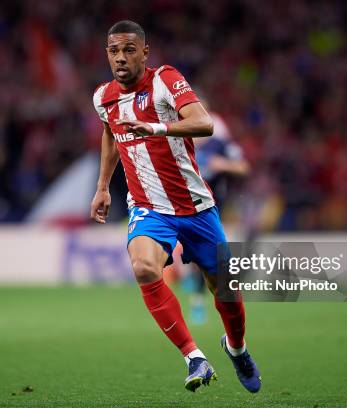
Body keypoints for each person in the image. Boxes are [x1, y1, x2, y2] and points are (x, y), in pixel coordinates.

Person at [90, 20, 261, 393]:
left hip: (196, 206)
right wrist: (103, 186)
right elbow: (109, 131)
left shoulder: (166, 79)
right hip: (149, 208)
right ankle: (194, 357)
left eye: (129, 50)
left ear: (144, 52)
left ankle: (237, 349)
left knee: (227, 291)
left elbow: (204, 123)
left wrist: (155, 128)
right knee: (143, 267)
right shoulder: (103, 97)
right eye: (114, 51)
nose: (120, 57)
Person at [186, 110, 249, 324]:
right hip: (186, 207)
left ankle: (204, 299)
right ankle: (197, 297)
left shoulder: (220, 144)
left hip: (215, 209)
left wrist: (223, 164)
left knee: (212, 256)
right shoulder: (178, 142)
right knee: (198, 256)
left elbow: (242, 167)